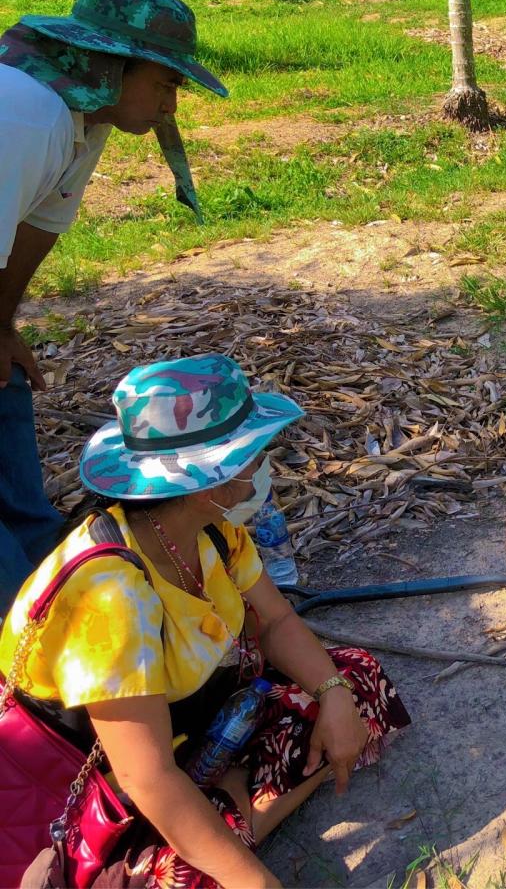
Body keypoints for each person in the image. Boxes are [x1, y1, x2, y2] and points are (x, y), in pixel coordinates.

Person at [0, 354, 410, 888]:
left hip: (193, 728)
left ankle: (228, 809)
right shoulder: (111, 596)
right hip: (107, 788)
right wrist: (257, 882)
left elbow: (279, 620)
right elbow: (146, 779)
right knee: (183, 878)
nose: (262, 466)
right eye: (252, 455)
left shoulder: (212, 529)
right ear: (207, 477)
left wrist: (333, 693)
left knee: (357, 680)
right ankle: (228, 818)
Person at [1, 0, 225, 610]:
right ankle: (28, 649)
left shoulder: (83, 116)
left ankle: (62, 593)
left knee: (7, 402)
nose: (170, 106)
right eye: (165, 84)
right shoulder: (23, 113)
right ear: (108, 64)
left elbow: (35, 230)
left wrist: (2, 326)